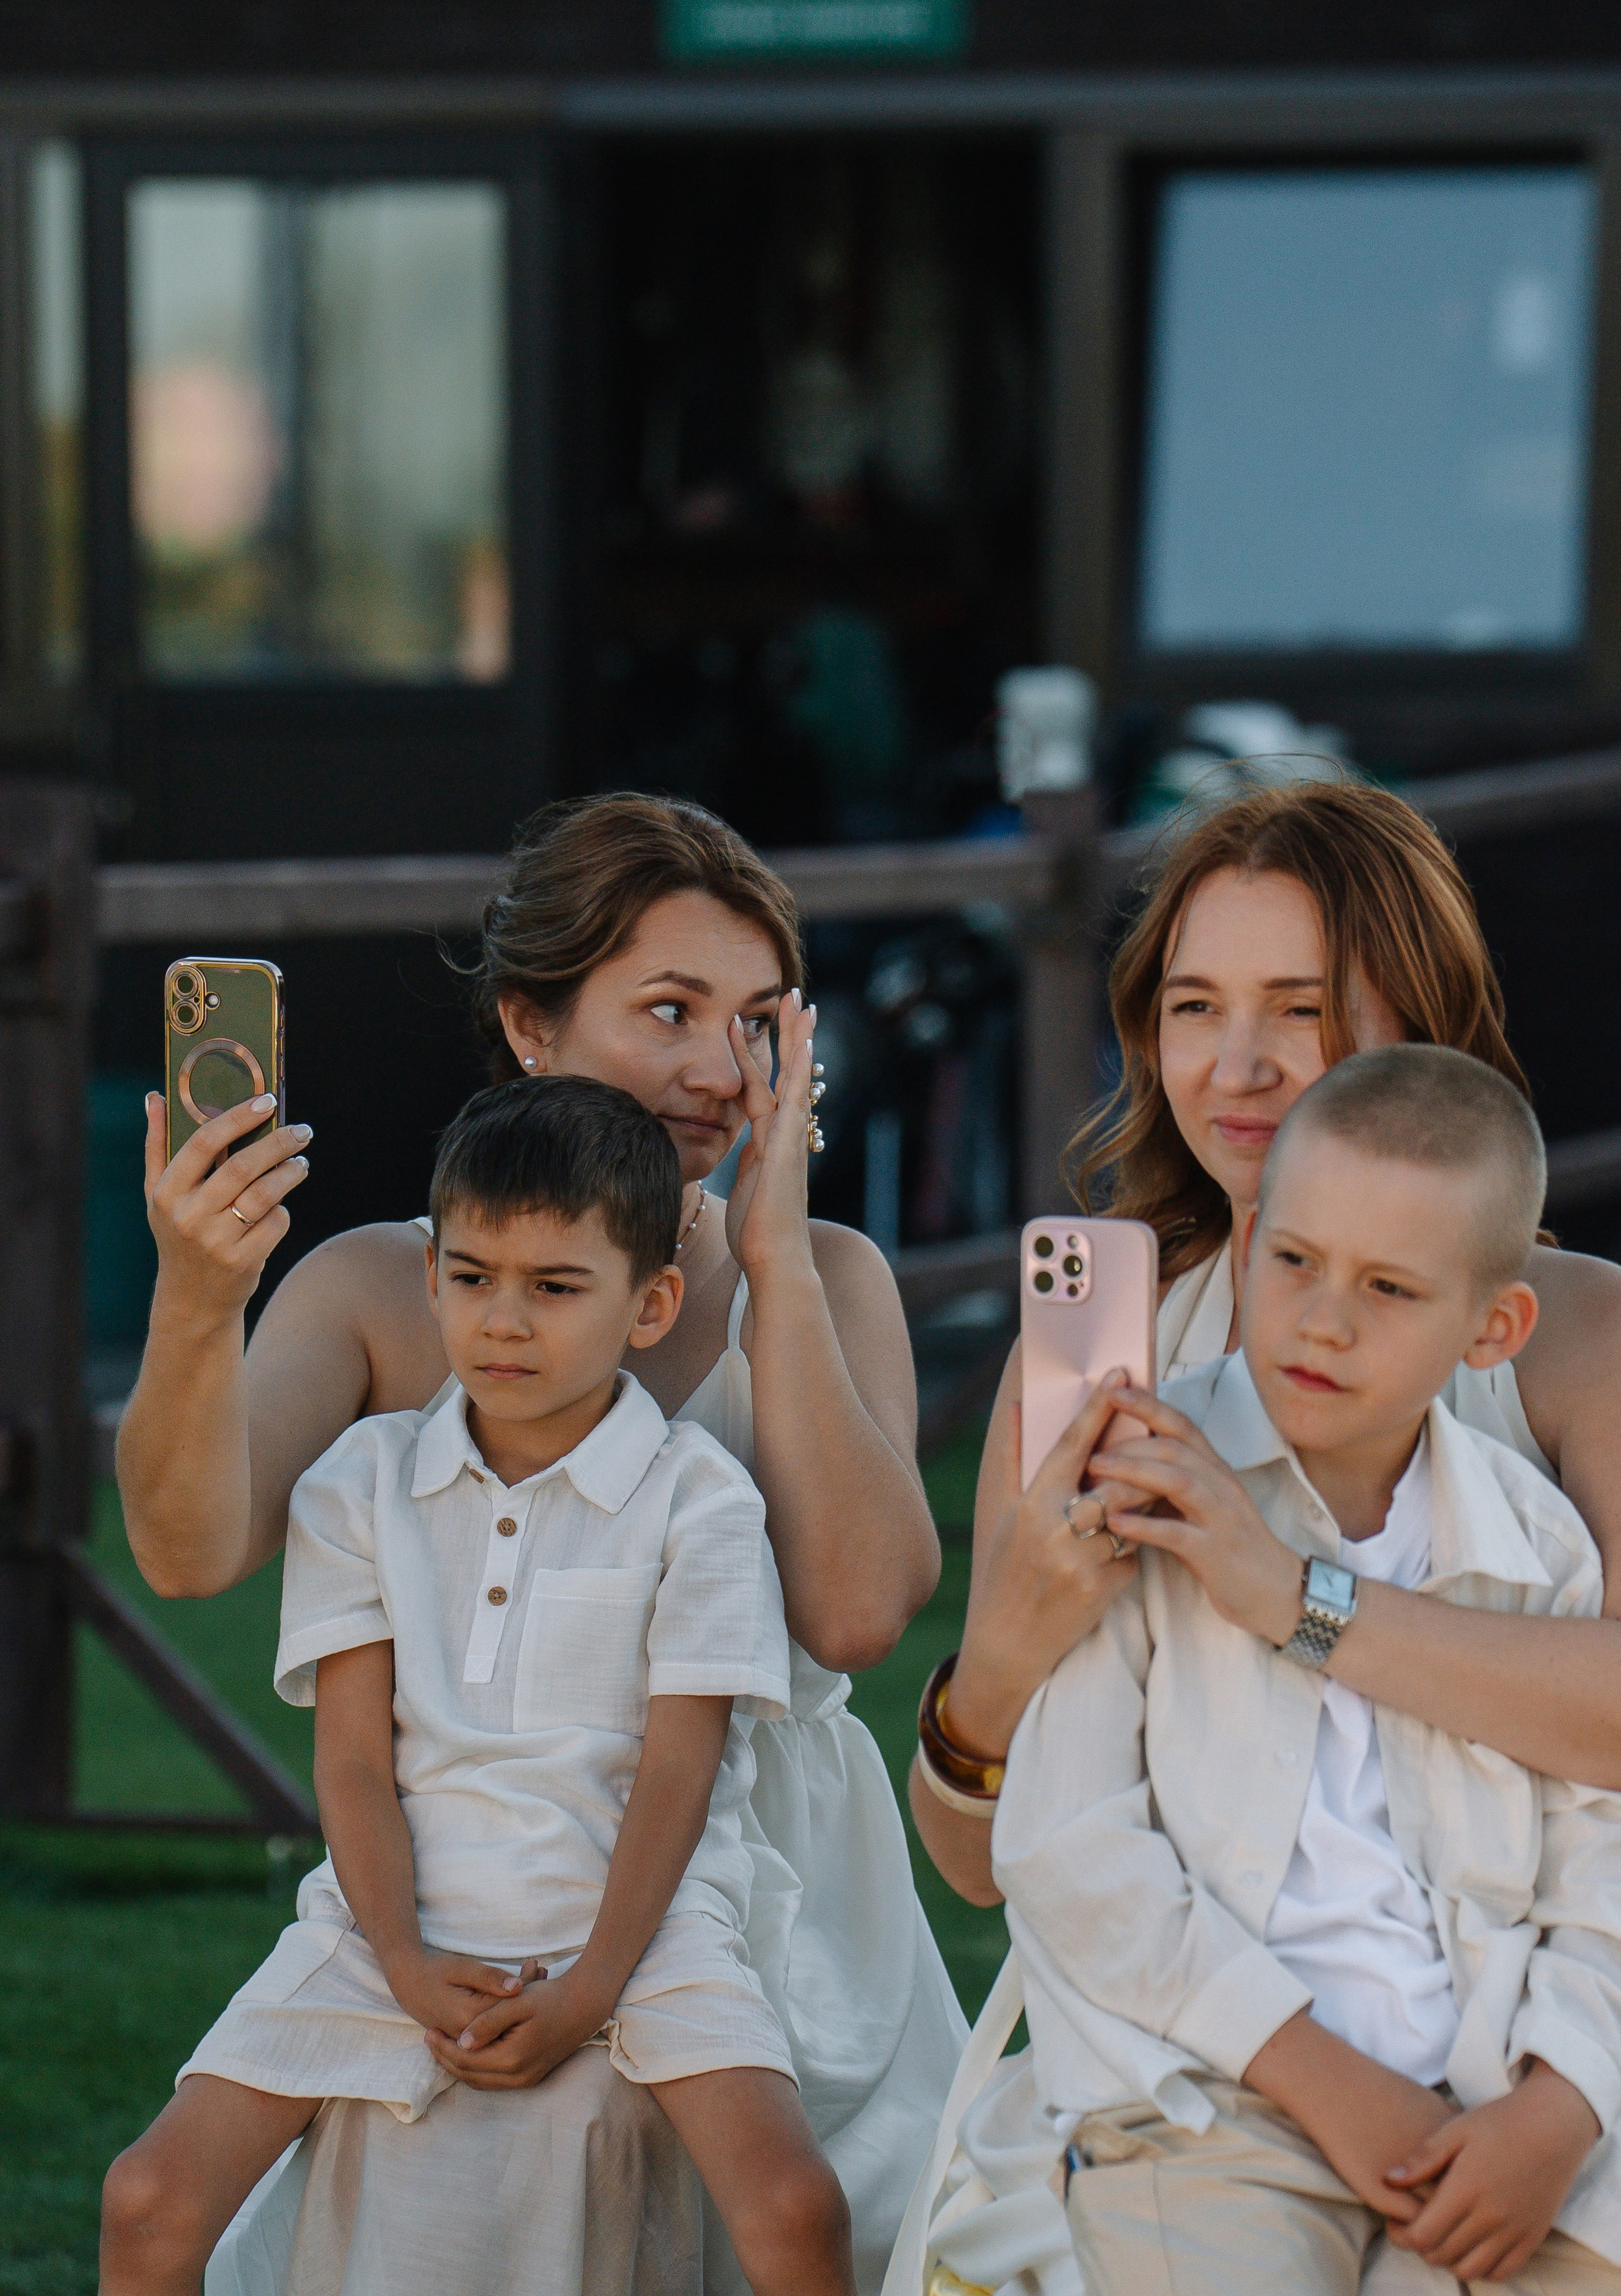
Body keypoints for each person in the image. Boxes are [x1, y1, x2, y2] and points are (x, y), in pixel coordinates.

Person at [117, 794, 966, 2296]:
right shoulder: (391, 1285)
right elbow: (190, 1551)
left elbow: (851, 1617)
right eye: (668, 1010)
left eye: (759, 1020)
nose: (720, 1068)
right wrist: (195, 1298)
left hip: (761, 1882)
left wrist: (770, 1259)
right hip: (472, 1881)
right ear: (529, 1024)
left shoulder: (826, 1271)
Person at [893, 778, 1621, 2296]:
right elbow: (981, 1861)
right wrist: (1007, 1650)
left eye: (1297, 1007)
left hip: (1541, 2038)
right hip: (1196, 2070)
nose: (1232, 1066)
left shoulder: (1576, 1334)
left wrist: (1290, 1594)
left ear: (1413, 1012)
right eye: (1189, 1005)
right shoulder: (1099, 1347)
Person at [103, 1075, 855, 2296]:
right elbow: (351, 1760)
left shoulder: (702, 1499)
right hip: (383, 1920)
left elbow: (682, 1765)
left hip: (643, 1926)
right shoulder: (361, 1480)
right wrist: (400, 1956)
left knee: (794, 2207)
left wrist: (594, 1988)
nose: (504, 1320)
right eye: (469, 1277)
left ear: (651, 1301)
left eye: (556, 1287)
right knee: (145, 2201)